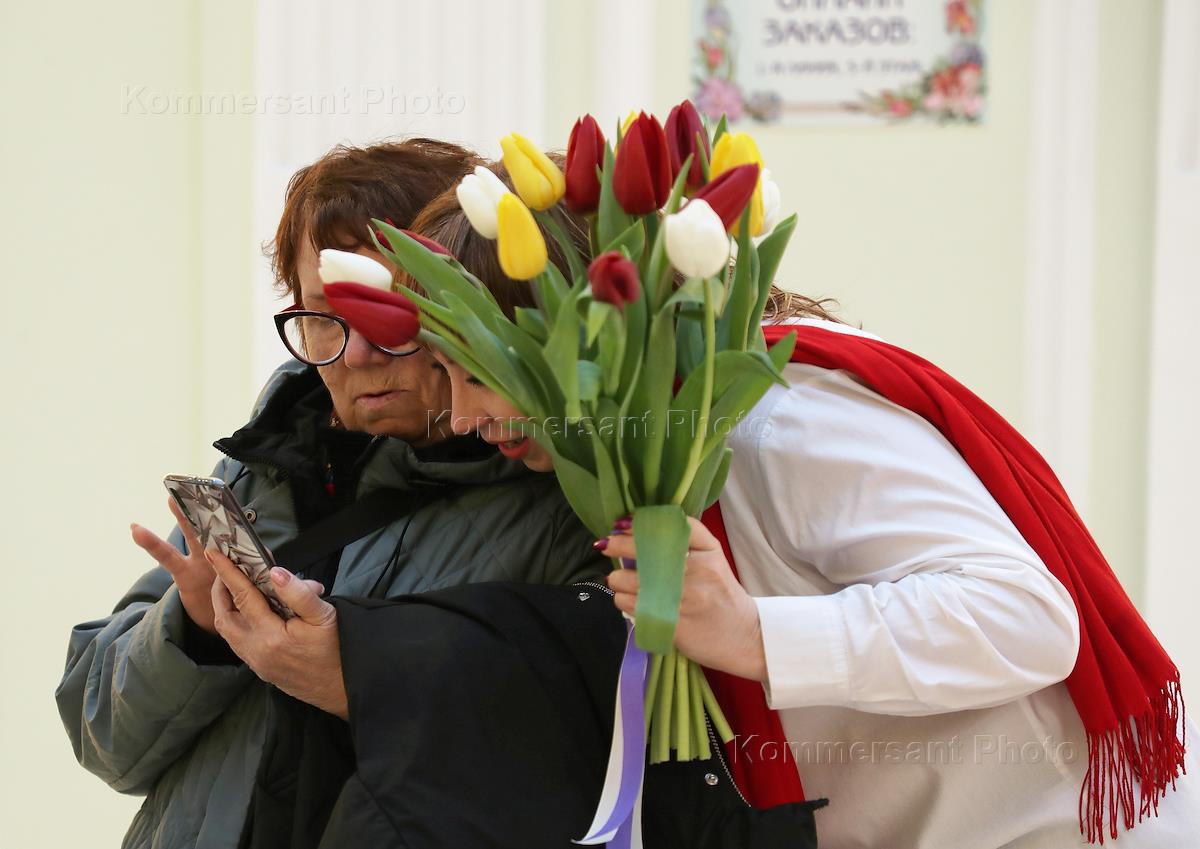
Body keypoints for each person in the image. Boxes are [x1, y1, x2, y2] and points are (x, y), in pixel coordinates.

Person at [395, 176, 1200, 848]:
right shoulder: (666, 431)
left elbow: (1025, 616)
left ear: (571, 331)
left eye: (479, 371)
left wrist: (754, 634)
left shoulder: (780, 416)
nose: (460, 416)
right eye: (445, 374)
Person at [54, 139, 610, 849]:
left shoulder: (563, 496)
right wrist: (191, 630)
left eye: (389, 312)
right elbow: (103, 740)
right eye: (324, 316)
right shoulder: (263, 464)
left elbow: (571, 762)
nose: (357, 354)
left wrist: (363, 680)